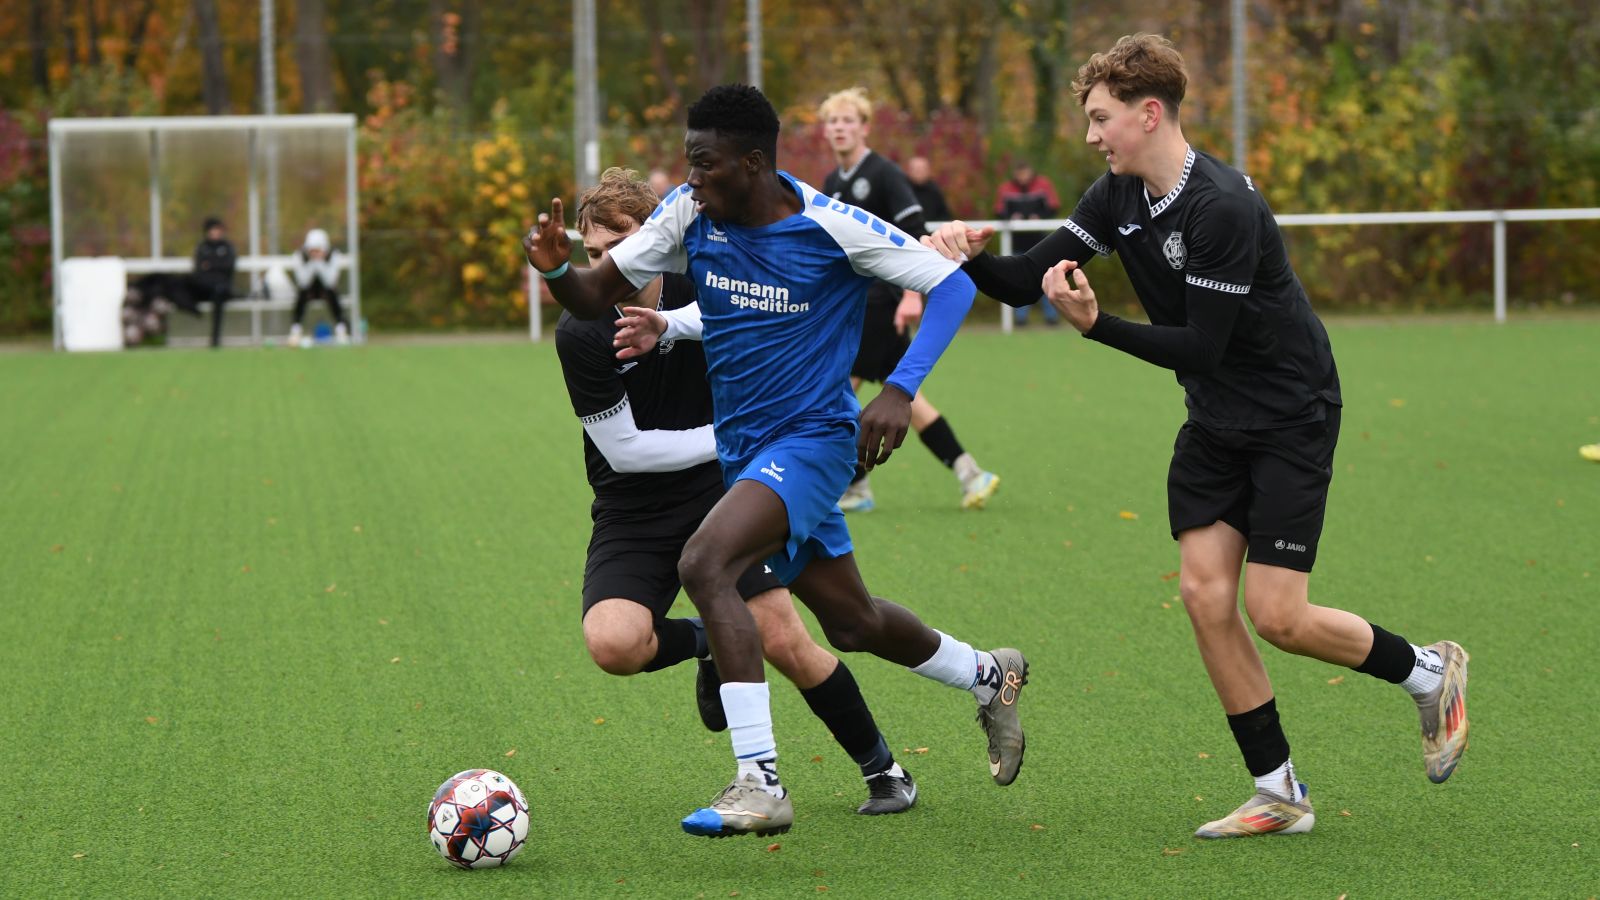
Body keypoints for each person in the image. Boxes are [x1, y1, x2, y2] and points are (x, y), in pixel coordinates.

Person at [926, 33, 1469, 840]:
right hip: (1216, 419)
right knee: (1204, 595)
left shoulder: (1222, 206)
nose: (1090, 135)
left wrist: (1094, 326)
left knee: (1279, 615)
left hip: (1291, 413)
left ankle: (1430, 671)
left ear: (1150, 114)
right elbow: (1020, 282)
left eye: (1102, 118)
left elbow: (1201, 346)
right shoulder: (1116, 196)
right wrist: (965, 255)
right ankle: (1279, 792)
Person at [524, 84, 1029, 840]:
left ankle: (759, 780)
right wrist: (559, 272)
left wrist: (898, 391)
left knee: (706, 565)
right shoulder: (691, 215)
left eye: (706, 163)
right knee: (852, 622)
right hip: (743, 455)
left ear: (754, 163)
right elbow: (596, 290)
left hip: (813, 442)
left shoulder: (830, 225)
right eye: (689, 162)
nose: (691, 179)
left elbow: (950, 285)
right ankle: (989, 675)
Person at [558, 166, 917, 816]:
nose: (605, 266)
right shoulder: (581, 329)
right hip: (632, 505)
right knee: (613, 644)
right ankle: (706, 639)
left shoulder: (711, 284)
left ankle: (884, 768)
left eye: (619, 246)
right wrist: (735, 432)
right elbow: (627, 452)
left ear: (656, 239)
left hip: (724, 492)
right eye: (591, 254)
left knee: (781, 636)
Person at [819, 87, 1000, 513]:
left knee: (835, 393)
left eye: (848, 121)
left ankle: (854, 485)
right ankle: (969, 471)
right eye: (833, 122)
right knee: (907, 400)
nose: (839, 128)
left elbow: (916, 237)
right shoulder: (831, 183)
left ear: (864, 128)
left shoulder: (884, 174)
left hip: (882, 304)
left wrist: (911, 295)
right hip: (854, 307)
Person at [994, 162, 1061, 326]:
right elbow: (999, 211)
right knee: (1018, 279)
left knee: (1047, 277)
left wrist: (1039, 216)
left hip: (1041, 242)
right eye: (1020, 173)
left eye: (1026, 172)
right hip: (1016, 243)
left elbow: (1054, 206)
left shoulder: (1043, 184)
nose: (1023, 177)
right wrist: (1011, 217)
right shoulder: (1006, 188)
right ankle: (1020, 318)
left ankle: (1052, 316)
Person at [287, 228, 350, 346]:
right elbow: (303, 281)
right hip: (308, 291)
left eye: (318, 250)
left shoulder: (333, 255)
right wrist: (313, 263)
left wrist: (320, 263)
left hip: (326, 291)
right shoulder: (299, 255)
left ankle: (341, 329)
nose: (315, 253)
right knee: (302, 293)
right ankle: (295, 330)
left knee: (332, 292)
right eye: (313, 250)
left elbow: (331, 281)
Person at [191, 216, 237, 348]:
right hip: (204, 287)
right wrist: (217, 264)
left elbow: (229, 266)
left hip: (221, 289)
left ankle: (215, 339)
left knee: (219, 294)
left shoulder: (227, 247)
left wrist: (210, 264)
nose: (215, 233)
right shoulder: (202, 247)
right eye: (212, 230)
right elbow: (199, 268)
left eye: (217, 230)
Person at [905, 156, 954, 223]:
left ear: (928, 171)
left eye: (922, 169)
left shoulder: (935, 192)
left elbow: (944, 215)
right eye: (916, 169)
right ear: (908, 171)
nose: (919, 172)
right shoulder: (902, 191)